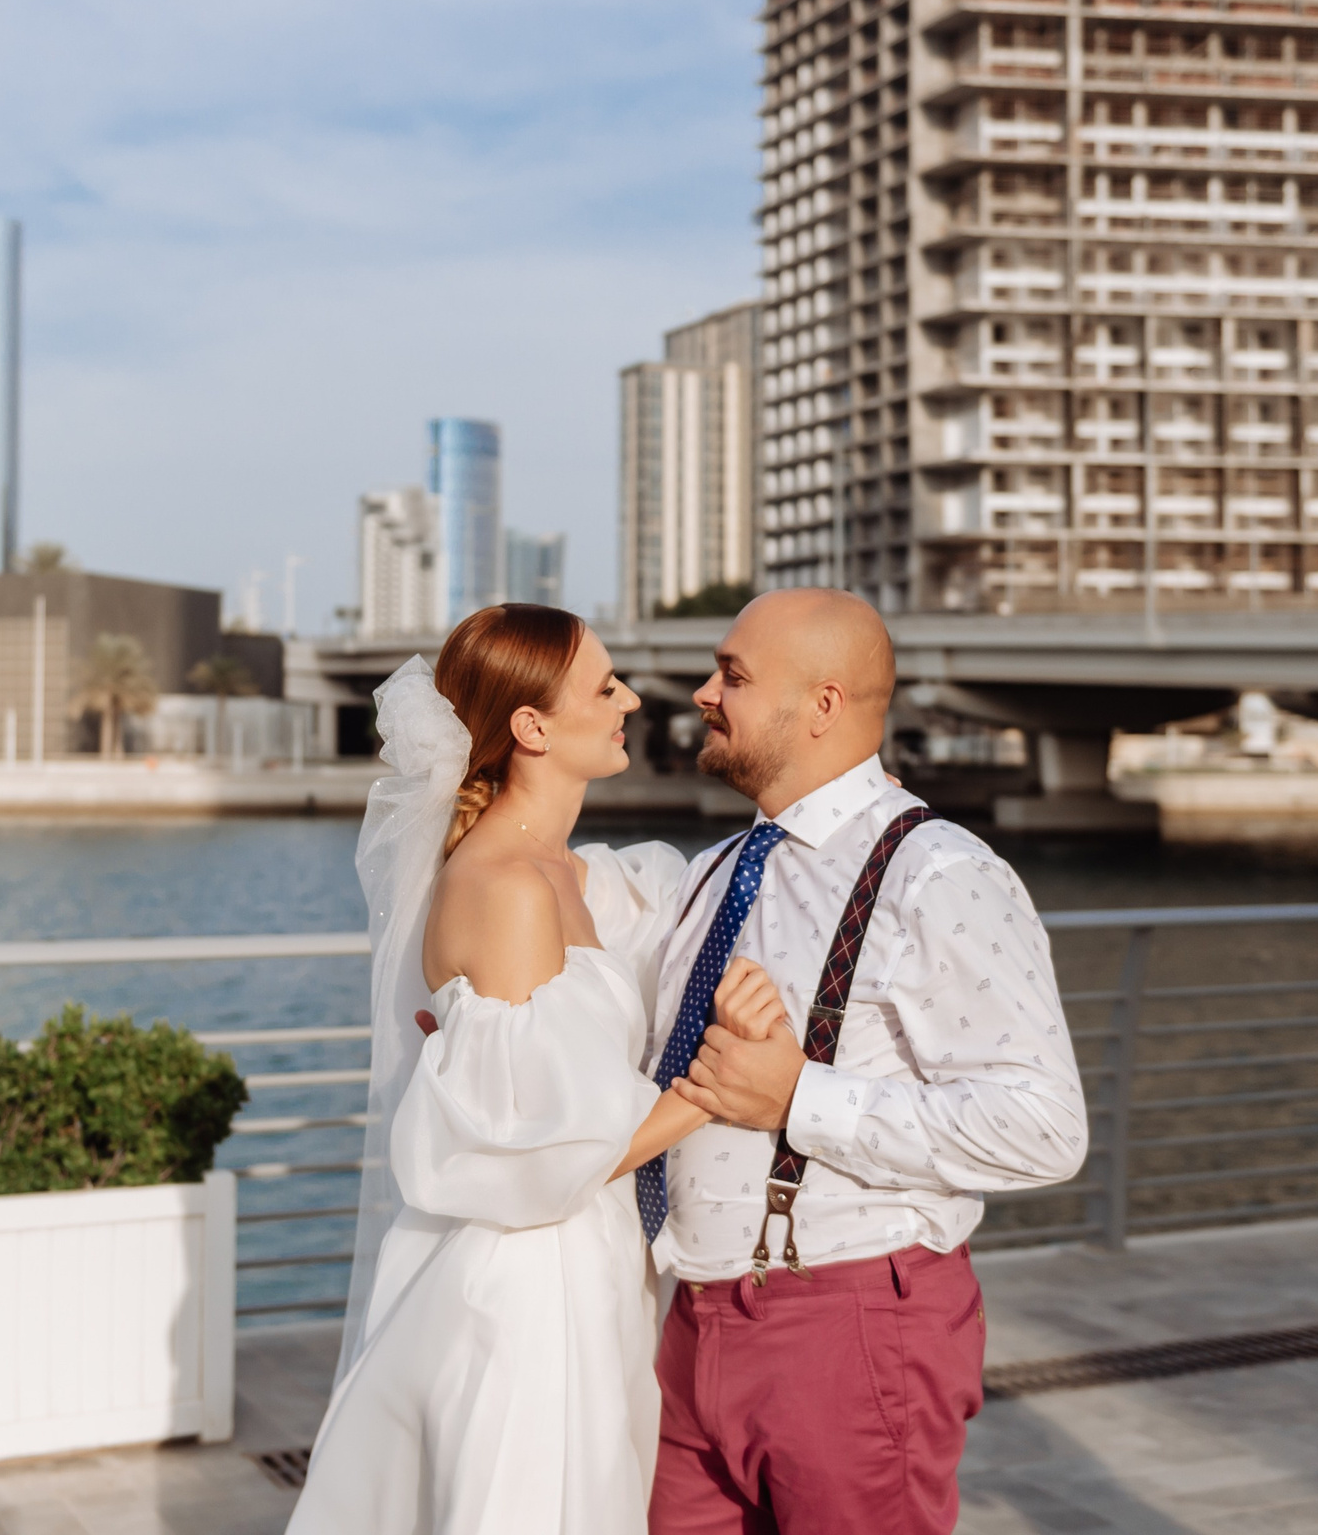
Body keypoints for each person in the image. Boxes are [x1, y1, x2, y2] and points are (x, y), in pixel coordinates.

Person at [287, 604, 788, 1535]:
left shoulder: (578, 874)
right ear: (531, 728)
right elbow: (534, 1152)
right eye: (604, 687)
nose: (633, 699)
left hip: (592, 1262)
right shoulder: (507, 889)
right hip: (528, 1286)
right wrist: (719, 1083)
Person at [646, 588, 1089, 1535]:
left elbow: (1045, 1127)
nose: (701, 693)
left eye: (732, 674)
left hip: (846, 1325)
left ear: (822, 705)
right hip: (688, 1325)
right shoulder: (713, 871)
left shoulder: (940, 874)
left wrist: (799, 1095)